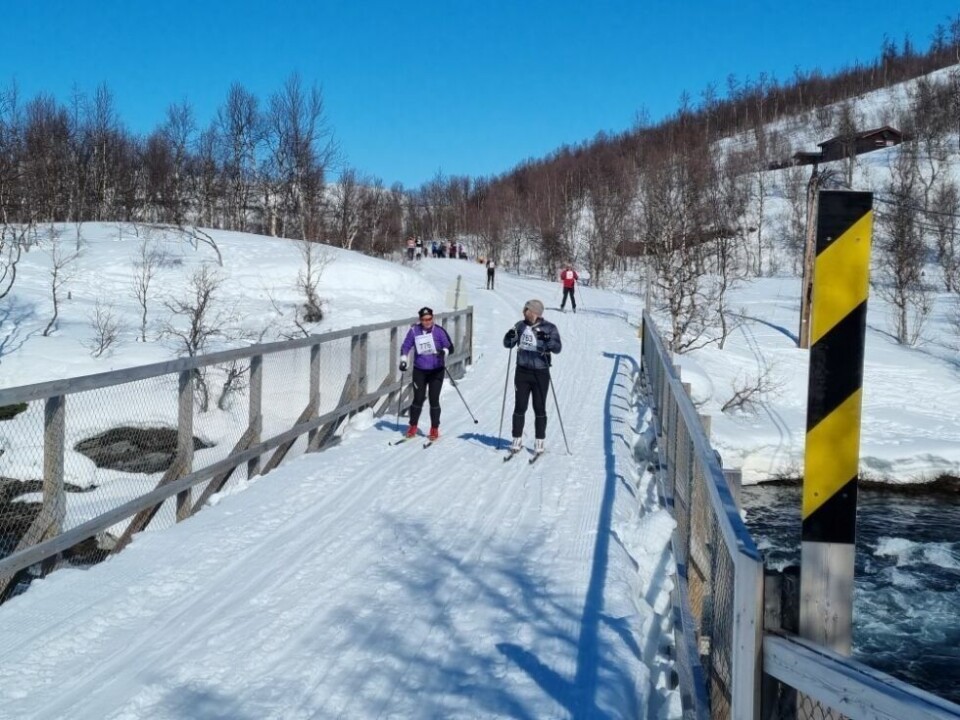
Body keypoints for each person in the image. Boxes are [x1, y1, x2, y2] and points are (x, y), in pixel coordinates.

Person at [502, 299, 562, 455]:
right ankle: (516, 438)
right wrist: (509, 337)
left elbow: (557, 348)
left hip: (541, 372)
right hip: (522, 372)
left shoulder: (549, 328)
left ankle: (539, 441)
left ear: (535, 312)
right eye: (524, 309)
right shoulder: (520, 326)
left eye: (526, 309)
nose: (524, 312)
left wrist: (547, 340)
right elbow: (508, 344)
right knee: (520, 405)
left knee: (539, 407)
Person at [399, 306, 454, 440]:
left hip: (436, 370)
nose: (427, 322)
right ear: (420, 320)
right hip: (420, 370)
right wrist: (403, 360)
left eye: (429, 319)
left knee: (434, 399)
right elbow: (406, 346)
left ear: (432, 318)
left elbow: (450, 347)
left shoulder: (439, 331)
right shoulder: (414, 331)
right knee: (418, 399)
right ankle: (413, 426)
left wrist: (443, 352)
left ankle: (434, 428)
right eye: (424, 320)